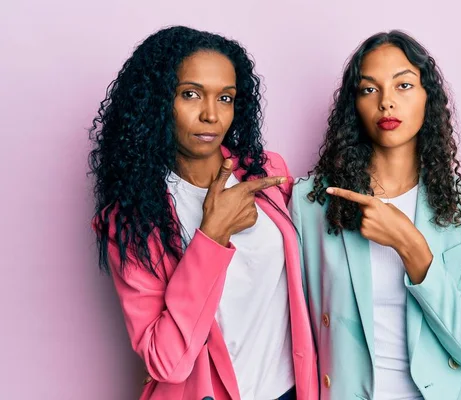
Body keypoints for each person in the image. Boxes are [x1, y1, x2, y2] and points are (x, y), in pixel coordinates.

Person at [89, 26, 317, 400]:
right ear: (159, 102)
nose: (211, 115)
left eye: (225, 98)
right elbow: (167, 362)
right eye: (190, 94)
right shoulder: (131, 220)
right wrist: (212, 236)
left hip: (290, 390)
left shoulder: (266, 173)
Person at [290, 30, 461, 400]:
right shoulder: (312, 201)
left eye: (403, 85)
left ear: (427, 98)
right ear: (354, 106)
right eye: (369, 89)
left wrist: (409, 244)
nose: (387, 102)